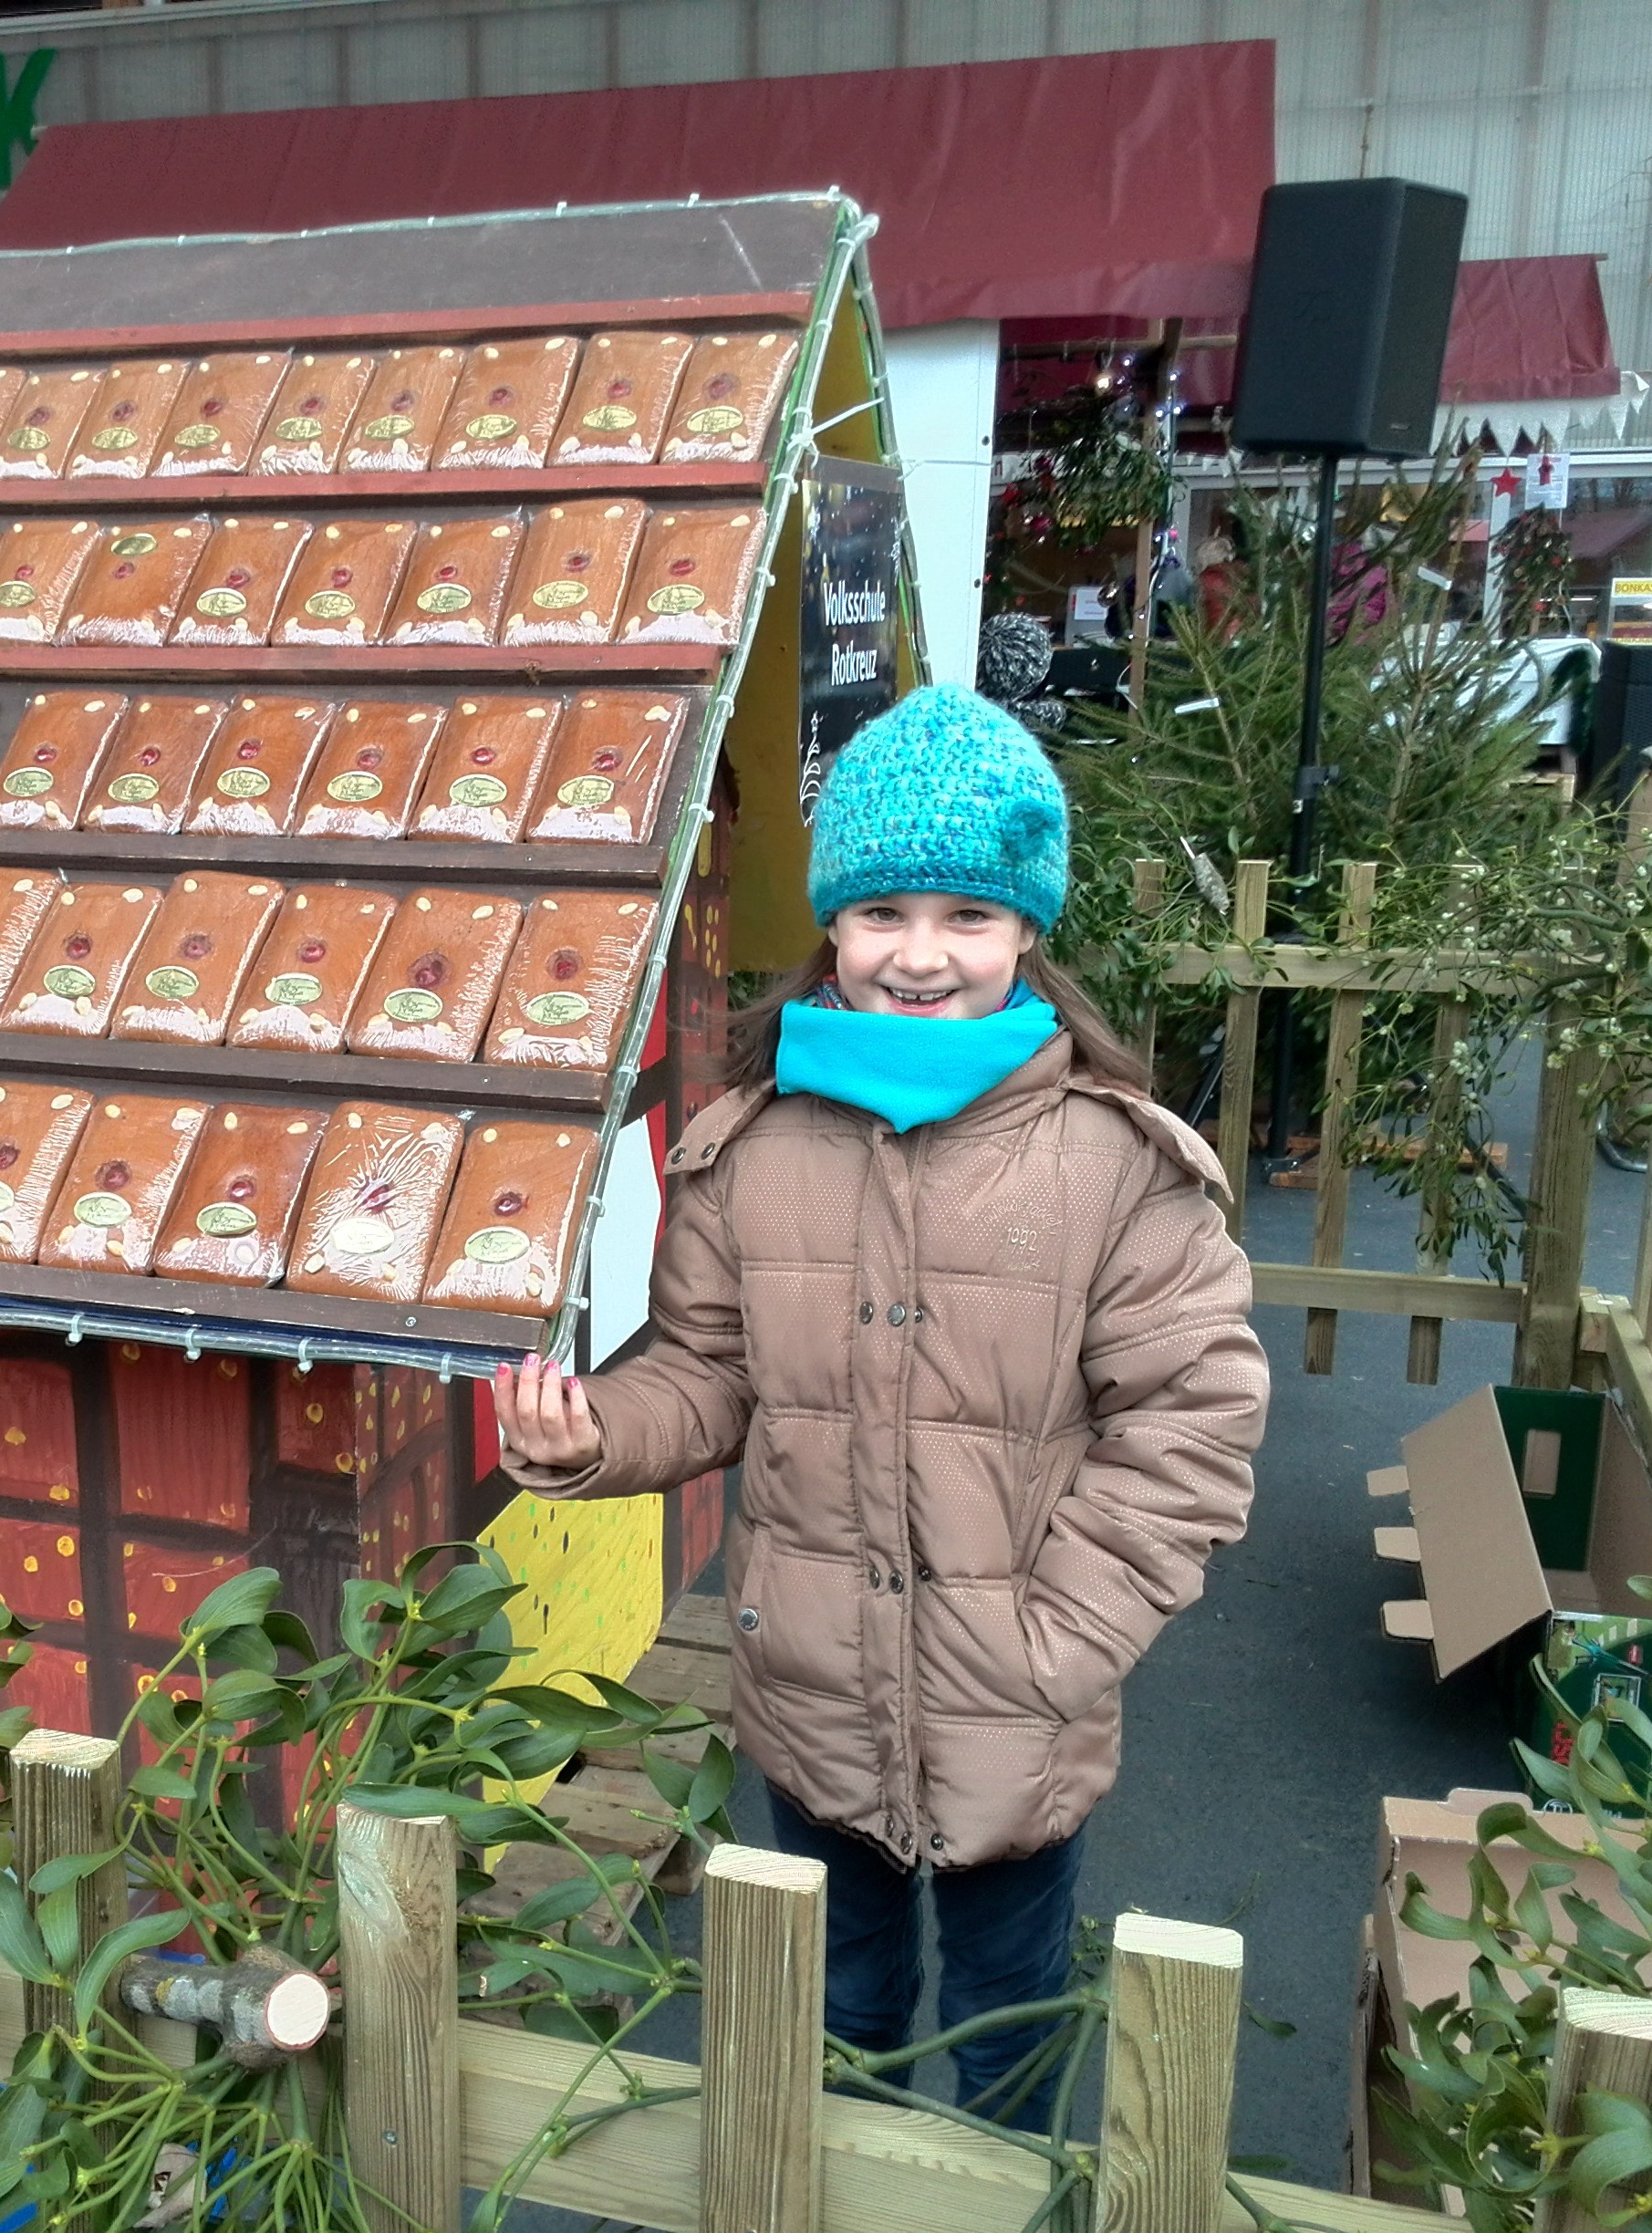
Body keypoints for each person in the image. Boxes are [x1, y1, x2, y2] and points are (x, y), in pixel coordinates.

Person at [492, 684, 1267, 2132]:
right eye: (881, 913)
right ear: (831, 927)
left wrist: (1057, 1641)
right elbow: (707, 1374)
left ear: (1027, 930)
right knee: (832, 2021)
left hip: (1016, 1716)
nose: (920, 954)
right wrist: (597, 1435)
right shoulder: (748, 1151)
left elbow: (1190, 1430)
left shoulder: (1114, 1168)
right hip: (815, 1695)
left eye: (968, 915)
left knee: (1004, 2031)